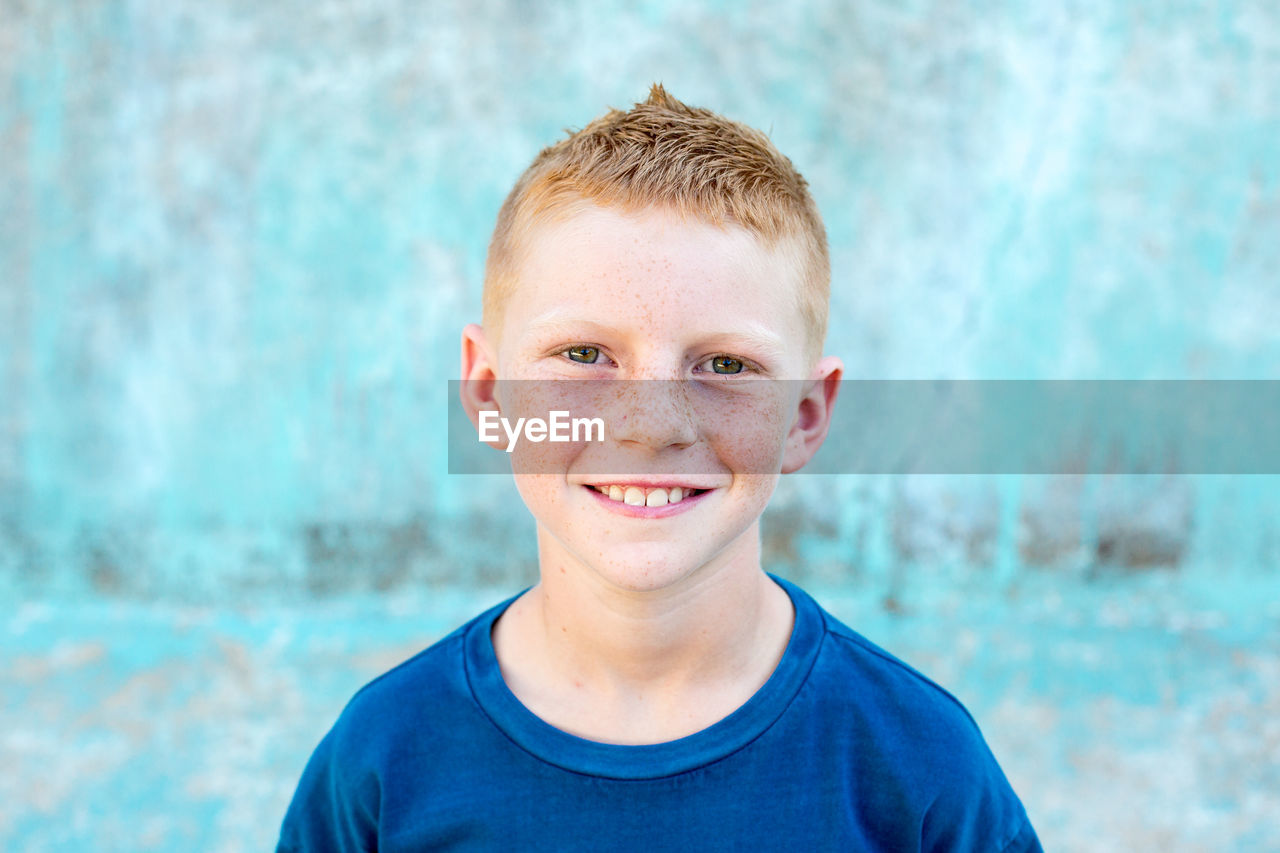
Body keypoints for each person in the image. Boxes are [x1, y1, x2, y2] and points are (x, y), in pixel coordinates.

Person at [277, 85, 1041, 852]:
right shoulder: (382, 764)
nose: (649, 426)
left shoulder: (920, 773)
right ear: (487, 391)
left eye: (725, 364)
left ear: (804, 415)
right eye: (583, 355)